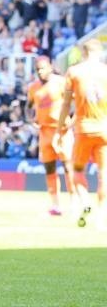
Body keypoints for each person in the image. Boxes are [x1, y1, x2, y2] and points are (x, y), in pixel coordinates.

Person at [56, 39, 107, 228]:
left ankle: (85, 200)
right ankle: (102, 214)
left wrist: (61, 127)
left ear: (83, 53)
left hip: (83, 129)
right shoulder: (105, 70)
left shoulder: (74, 72)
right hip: (104, 130)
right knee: (104, 173)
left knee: (77, 170)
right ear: (99, 52)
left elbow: (66, 103)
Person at [27, 56, 76, 216]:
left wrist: (73, 120)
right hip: (44, 132)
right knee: (49, 168)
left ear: (50, 67)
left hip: (62, 132)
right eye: (38, 69)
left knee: (68, 167)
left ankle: (74, 201)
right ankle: (55, 204)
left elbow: (77, 100)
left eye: (43, 68)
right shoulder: (33, 88)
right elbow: (28, 107)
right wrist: (31, 121)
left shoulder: (61, 82)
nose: (40, 72)